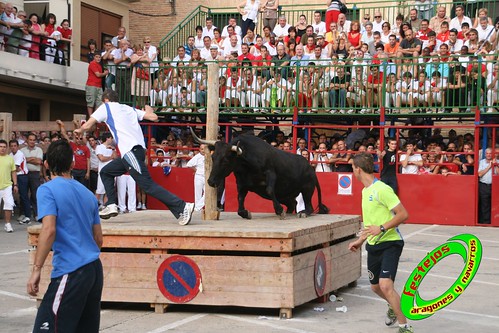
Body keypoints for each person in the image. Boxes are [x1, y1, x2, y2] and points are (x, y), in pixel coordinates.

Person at [74, 89, 195, 225]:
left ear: (105, 100)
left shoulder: (106, 107)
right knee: (106, 172)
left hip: (130, 152)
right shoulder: (129, 109)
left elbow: (89, 124)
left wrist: (80, 130)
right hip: (135, 152)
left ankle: (182, 206)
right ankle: (112, 204)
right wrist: (148, 110)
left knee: (148, 186)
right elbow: (154, 117)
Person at [27, 140, 103, 332]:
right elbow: (98, 239)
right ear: (72, 164)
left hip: (71, 270)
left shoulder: (47, 190)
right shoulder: (88, 194)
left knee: (48, 327)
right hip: (94, 270)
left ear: (46, 164)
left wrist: (36, 269)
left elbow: (49, 229)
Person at [348, 152, 413, 333]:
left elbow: (403, 214)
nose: (352, 171)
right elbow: (370, 224)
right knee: (376, 287)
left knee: (385, 285)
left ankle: (404, 326)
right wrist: (361, 240)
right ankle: (393, 307)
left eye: (352, 167)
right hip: (374, 244)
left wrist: (382, 228)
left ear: (358, 169)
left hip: (391, 242)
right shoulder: (365, 191)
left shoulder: (382, 189)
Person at [9, 139, 31, 224]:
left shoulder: (20, 154)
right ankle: (20, 214)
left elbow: (16, 168)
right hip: (14, 176)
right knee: (13, 195)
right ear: (10, 147)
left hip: (22, 176)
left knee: (24, 196)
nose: (13, 147)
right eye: (12, 146)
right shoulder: (10, 154)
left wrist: (10, 170)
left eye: (15, 146)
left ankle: (28, 216)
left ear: (18, 146)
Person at [0, 139, 17, 233]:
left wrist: (15, 184)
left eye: (4, 147)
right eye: (0, 147)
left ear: (6, 148)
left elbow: (13, 172)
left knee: (9, 204)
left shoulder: (10, 158)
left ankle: (8, 224)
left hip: (7, 185)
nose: (2, 149)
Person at [477, 148, 497, 224]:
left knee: (495, 204)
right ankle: (486, 222)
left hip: (495, 186)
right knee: (484, 204)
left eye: (490, 153)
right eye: (487, 153)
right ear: (485, 154)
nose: (488, 155)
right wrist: (489, 166)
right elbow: (480, 174)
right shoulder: (482, 162)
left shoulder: (497, 162)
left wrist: (495, 165)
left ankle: (495, 221)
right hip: (484, 186)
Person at [186, 143, 206, 212]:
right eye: (202, 149)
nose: (203, 150)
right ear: (199, 149)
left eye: (205, 149)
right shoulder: (197, 156)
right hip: (199, 176)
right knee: (198, 194)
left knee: (207, 194)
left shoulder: (209, 156)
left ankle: (196, 208)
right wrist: (196, 170)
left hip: (206, 177)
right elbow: (189, 164)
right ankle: (198, 210)